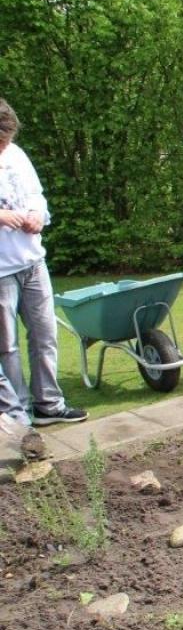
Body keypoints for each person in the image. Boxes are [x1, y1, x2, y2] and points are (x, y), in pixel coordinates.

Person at [0, 98, 88, 429]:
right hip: (1, 272)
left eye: (7, 139)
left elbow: (36, 195)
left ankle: (49, 404)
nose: (5, 146)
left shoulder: (17, 156)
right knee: (5, 346)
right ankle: (16, 416)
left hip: (33, 261)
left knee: (44, 335)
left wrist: (38, 215)